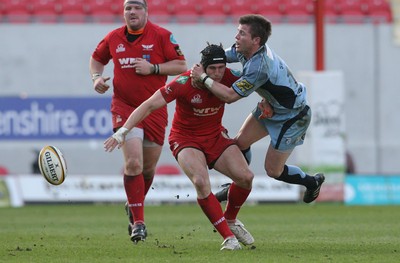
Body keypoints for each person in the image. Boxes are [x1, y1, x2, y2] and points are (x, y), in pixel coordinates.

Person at [104, 43, 254, 251]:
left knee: (246, 177)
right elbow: (149, 105)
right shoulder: (183, 82)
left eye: (221, 68)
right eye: (212, 69)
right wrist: (123, 131)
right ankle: (228, 238)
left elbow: (259, 82)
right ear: (202, 68)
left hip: (214, 136)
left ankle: (229, 219)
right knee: (201, 182)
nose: (218, 74)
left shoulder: (229, 75)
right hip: (185, 139)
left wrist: (268, 101)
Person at [191, 14, 325, 204]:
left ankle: (312, 182)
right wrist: (204, 61)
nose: (236, 37)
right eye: (237, 32)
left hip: (293, 116)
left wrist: (203, 78)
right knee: (239, 144)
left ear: (256, 40)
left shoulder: (259, 67)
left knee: (273, 171)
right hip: (272, 107)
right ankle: (239, 182)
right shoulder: (243, 50)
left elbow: (229, 97)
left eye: (241, 34)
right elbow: (220, 56)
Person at [89, 0, 187, 244]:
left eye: (136, 7)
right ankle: (139, 223)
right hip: (124, 106)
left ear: (146, 11)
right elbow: (96, 59)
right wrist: (96, 78)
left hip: (154, 108)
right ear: (123, 13)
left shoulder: (162, 35)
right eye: (127, 8)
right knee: (133, 164)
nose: (131, 12)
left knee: (147, 170)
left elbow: (181, 66)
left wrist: (153, 68)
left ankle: (132, 204)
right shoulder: (113, 37)